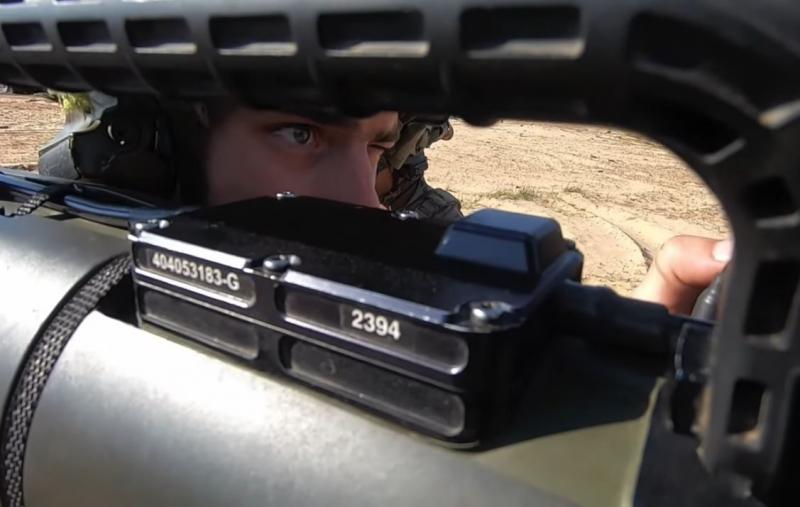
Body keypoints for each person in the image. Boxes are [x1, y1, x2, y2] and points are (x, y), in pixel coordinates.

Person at [45, 94, 730, 314]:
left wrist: (657, 309)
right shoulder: (65, 298)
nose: (362, 201)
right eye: (300, 133)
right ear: (171, 143)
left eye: (376, 146)